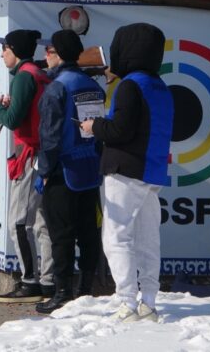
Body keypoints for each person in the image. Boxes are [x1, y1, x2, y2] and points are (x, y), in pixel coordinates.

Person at [81, 22, 173, 322]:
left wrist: (94, 126)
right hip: (152, 172)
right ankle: (148, 302)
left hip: (124, 170)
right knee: (149, 240)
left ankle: (126, 303)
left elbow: (120, 130)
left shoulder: (129, 85)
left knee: (116, 237)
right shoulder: (161, 87)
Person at [35, 30, 104, 314]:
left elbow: (50, 136)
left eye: (48, 52)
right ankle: (86, 289)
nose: (44, 57)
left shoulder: (57, 88)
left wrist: (45, 171)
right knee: (89, 231)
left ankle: (62, 292)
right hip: (90, 168)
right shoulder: (93, 85)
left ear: (58, 54)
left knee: (61, 234)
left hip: (63, 169)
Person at [0, 29, 55, 303]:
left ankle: (29, 280)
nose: (2, 53)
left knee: (19, 222)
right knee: (41, 222)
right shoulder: (36, 73)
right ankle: (48, 280)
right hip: (41, 154)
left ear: (14, 50)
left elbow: (14, 120)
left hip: (29, 156)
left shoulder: (24, 76)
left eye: (5, 48)